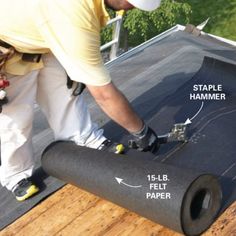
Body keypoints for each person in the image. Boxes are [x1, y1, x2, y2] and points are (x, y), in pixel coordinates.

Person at [0, 0, 161, 201]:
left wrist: (76, 67)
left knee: (65, 91)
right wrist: (141, 131)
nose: (133, 9)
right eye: (133, 4)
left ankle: (83, 138)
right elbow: (104, 94)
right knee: (15, 118)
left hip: (43, 37)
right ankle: (16, 174)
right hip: (8, 48)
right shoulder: (75, 17)